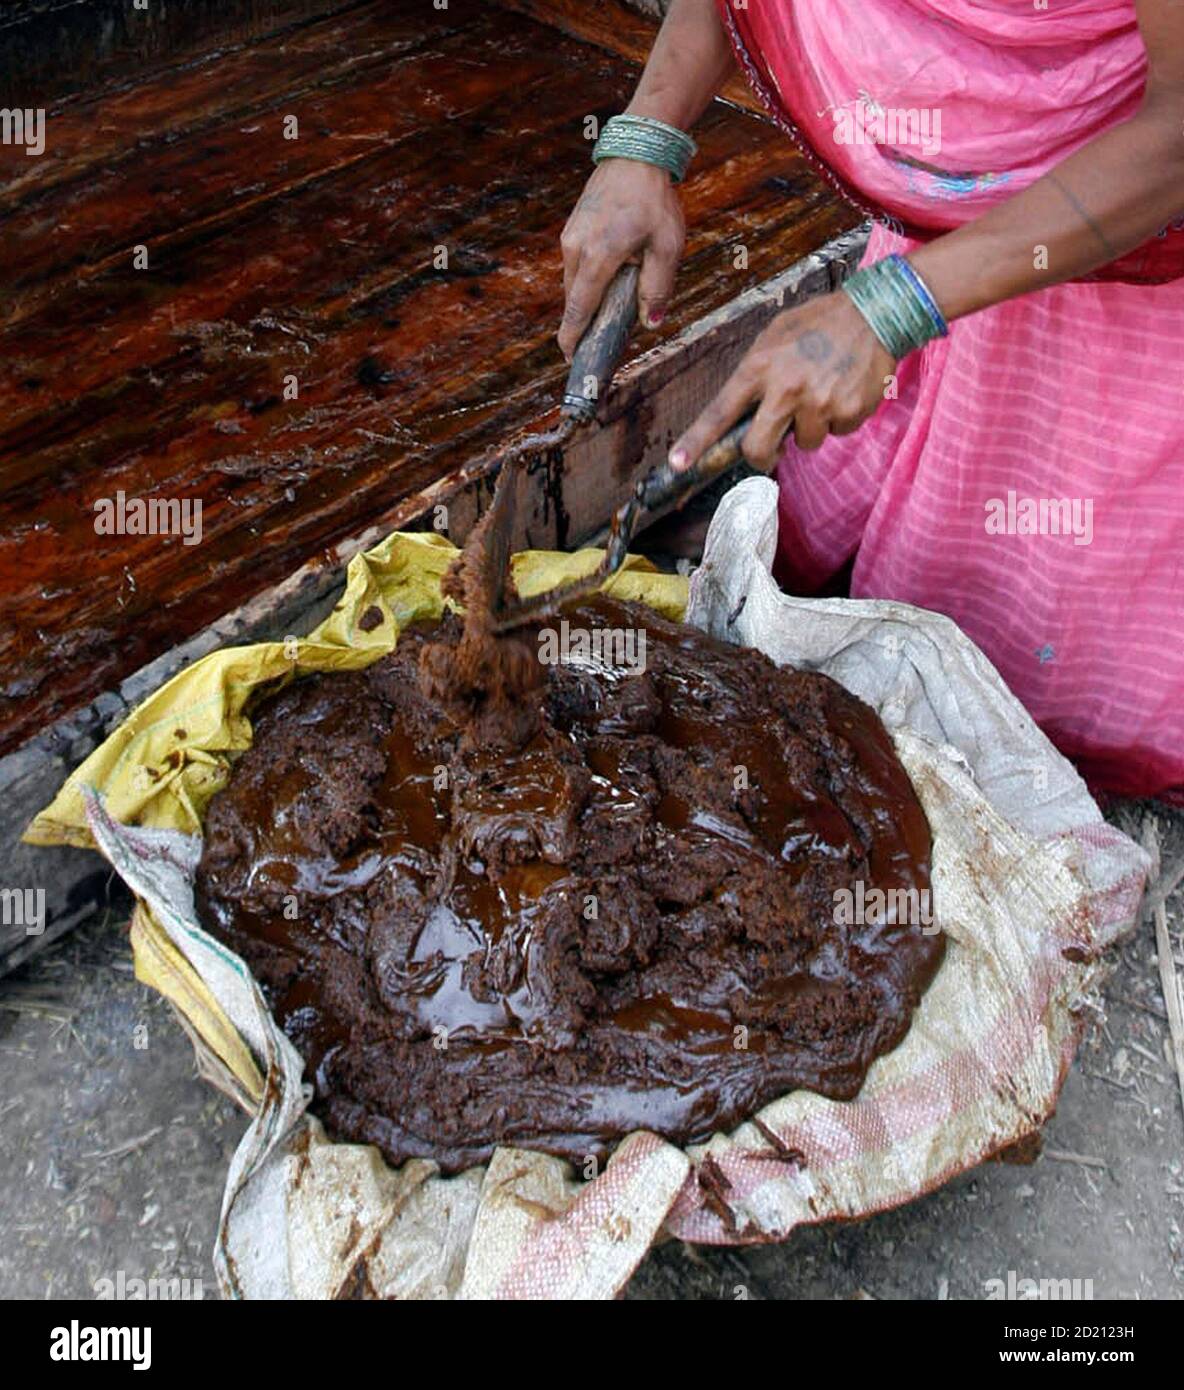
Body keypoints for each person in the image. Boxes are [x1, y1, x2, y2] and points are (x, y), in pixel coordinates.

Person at [557, 0, 1184, 801]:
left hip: (1126, 289)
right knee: (888, 608)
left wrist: (892, 309)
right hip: (940, 233)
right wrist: (646, 139)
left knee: (1023, 698)